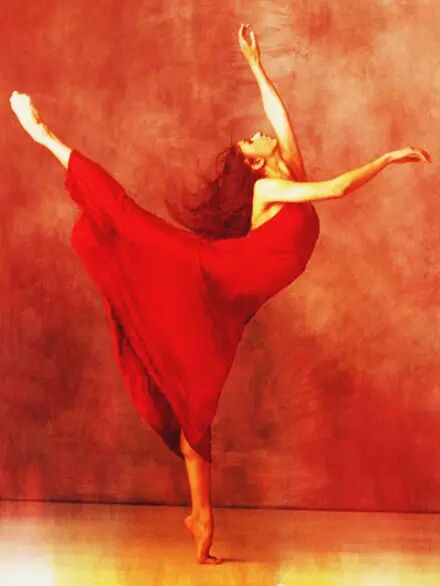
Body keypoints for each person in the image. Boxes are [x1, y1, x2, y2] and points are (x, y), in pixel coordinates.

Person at [9, 24, 431, 565]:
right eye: (251, 141)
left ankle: (201, 515)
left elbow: (281, 118)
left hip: (228, 304)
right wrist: (390, 157)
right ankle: (44, 134)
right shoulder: (271, 188)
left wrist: (256, 64)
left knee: (196, 397)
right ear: (255, 164)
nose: (258, 133)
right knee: (125, 217)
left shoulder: (287, 175)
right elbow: (340, 187)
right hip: (205, 275)